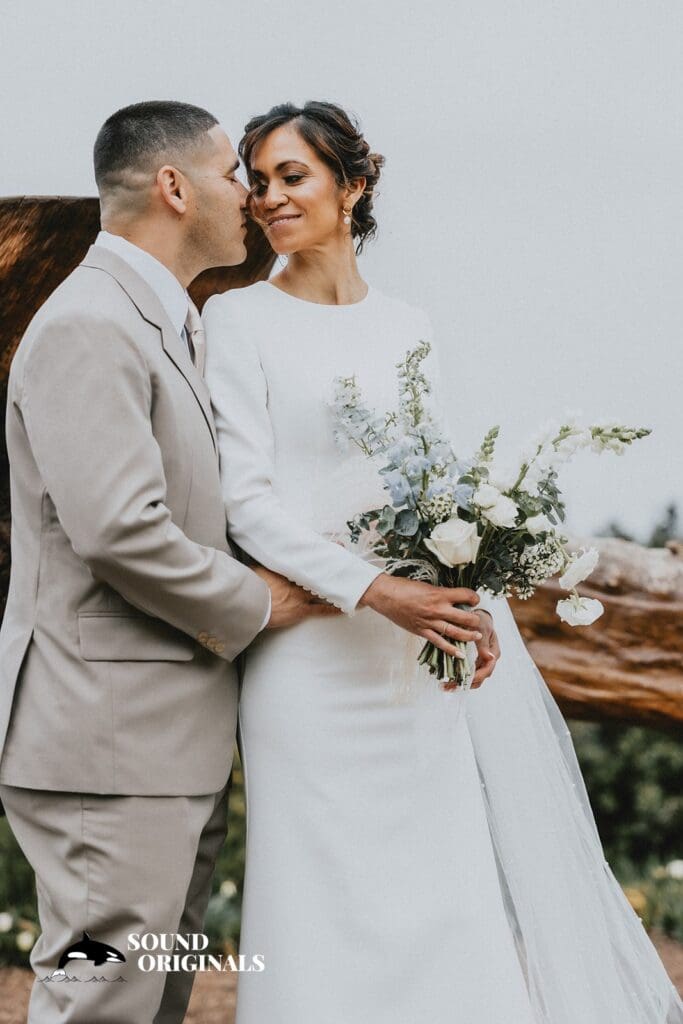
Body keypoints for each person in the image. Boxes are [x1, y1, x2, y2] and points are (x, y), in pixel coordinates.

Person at [203, 100, 683, 1024]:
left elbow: (444, 498)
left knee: (443, 884)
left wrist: (475, 614)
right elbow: (245, 501)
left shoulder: (411, 326)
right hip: (310, 663)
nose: (267, 199)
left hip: (417, 659)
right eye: (257, 181)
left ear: (355, 184)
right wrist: (376, 591)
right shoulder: (237, 319)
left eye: (292, 176)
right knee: (319, 893)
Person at [0, 100, 343, 1024]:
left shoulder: (166, 320)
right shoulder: (90, 324)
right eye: (235, 174)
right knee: (103, 1001)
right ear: (174, 186)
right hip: (106, 746)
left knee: (151, 1002)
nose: (250, 197)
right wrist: (258, 601)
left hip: (161, 741)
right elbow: (118, 529)